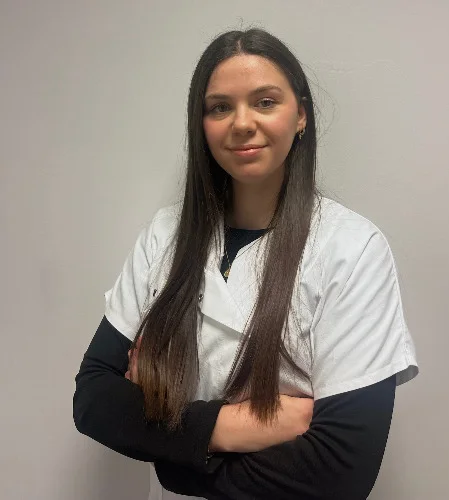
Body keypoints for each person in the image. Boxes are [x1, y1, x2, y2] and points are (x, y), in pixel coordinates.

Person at [73, 27, 419, 500]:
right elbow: (93, 399)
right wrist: (229, 426)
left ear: (301, 115)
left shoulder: (352, 249)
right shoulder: (164, 235)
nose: (241, 123)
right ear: (201, 124)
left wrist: (174, 462)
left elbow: (341, 472)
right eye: (219, 107)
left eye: (265, 102)